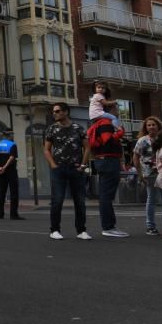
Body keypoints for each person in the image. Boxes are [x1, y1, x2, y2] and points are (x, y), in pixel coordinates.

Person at [44, 102, 91, 240]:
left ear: (66, 112)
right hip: (59, 169)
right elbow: (46, 149)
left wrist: (83, 165)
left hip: (76, 169)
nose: (55, 114)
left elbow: (87, 148)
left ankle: (81, 230)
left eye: (57, 111)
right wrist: (53, 165)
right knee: (57, 200)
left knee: (80, 201)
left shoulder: (78, 128)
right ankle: (55, 230)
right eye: (54, 112)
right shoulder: (51, 129)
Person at [88, 104, 128, 238]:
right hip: (109, 161)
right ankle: (108, 227)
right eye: (116, 108)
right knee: (106, 195)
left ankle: (109, 226)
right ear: (109, 110)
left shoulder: (96, 124)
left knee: (105, 194)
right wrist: (119, 133)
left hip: (102, 160)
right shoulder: (105, 123)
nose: (118, 110)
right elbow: (107, 140)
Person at [132, 116, 162, 235]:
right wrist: (139, 173)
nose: (151, 127)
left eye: (153, 124)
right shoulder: (142, 140)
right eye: (148, 125)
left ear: (158, 126)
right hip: (149, 173)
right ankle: (150, 226)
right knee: (151, 198)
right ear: (146, 127)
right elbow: (135, 156)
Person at [0, 129, 23, 220]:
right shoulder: (12, 145)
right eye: (12, 134)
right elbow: (12, 158)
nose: (13, 136)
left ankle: (0, 214)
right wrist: (4, 167)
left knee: (1, 192)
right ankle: (13, 214)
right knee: (14, 192)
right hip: (10, 171)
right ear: (9, 135)